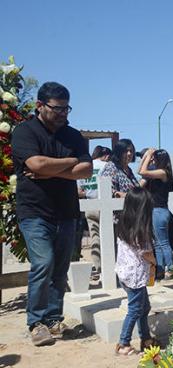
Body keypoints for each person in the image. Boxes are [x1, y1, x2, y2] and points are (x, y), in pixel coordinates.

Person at [11, 82, 92, 346]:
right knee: (43, 263)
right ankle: (36, 322)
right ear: (39, 106)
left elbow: (87, 170)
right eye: (57, 109)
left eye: (66, 108)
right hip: (34, 211)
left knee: (60, 268)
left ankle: (53, 318)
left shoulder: (73, 136)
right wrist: (69, 163)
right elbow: (34, 164)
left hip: (66, 211)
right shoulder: (25, 132)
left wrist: (49, 169)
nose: (63, 114)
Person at [115, 187, 157, 355]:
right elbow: (146, 252)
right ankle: (123, 342)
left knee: (144, 307)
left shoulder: (124, 224)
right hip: (135, 276)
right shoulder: (141, 230)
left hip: (126, 274)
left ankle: (145, 338)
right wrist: (155, 262)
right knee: (135, 310)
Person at [139, 148, 173, 279]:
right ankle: (159, 270)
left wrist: (148, 155)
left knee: (163, 243)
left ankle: (170, 268)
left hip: (159, 211)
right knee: (157, 244)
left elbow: (143, 171)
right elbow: (140, 172)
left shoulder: (163, 172)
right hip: (155, 211)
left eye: (154, 157)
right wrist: (145, 157)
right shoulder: (157, 172)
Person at [78, 145, 111, 277]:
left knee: (94, 237)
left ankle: (97, 267)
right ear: (107, 156)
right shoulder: (106, 166)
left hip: (89, 204)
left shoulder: (86, 166)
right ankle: (109, 267)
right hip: (106, 204)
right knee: (109, 237)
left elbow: (80, 191)